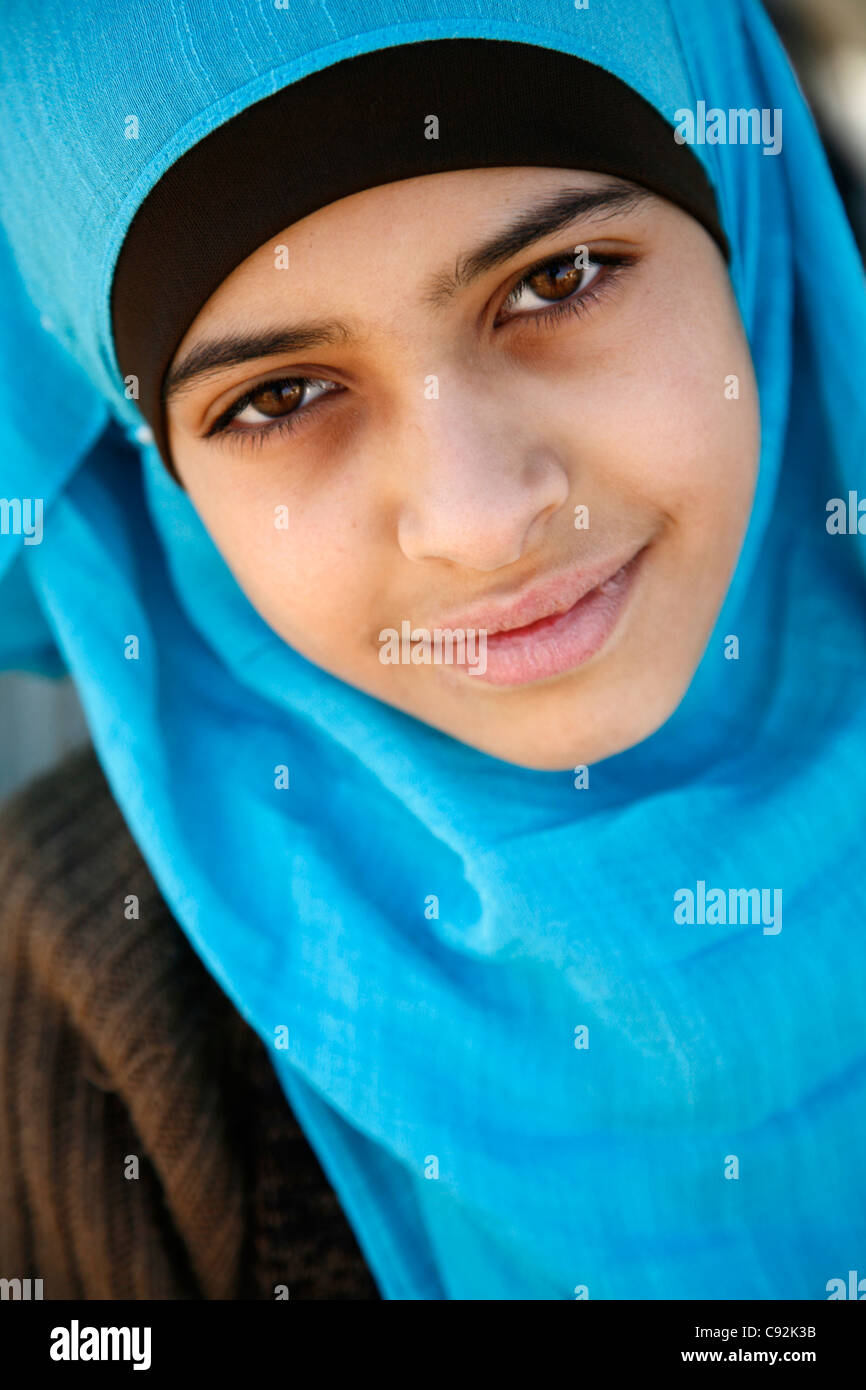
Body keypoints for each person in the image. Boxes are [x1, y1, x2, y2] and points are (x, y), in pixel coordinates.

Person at [0, 0, 864, 1301]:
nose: (479, 522)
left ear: (745, 228)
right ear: (163, 479)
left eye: (556, 279)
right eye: (276, 396)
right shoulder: (96, 1009)